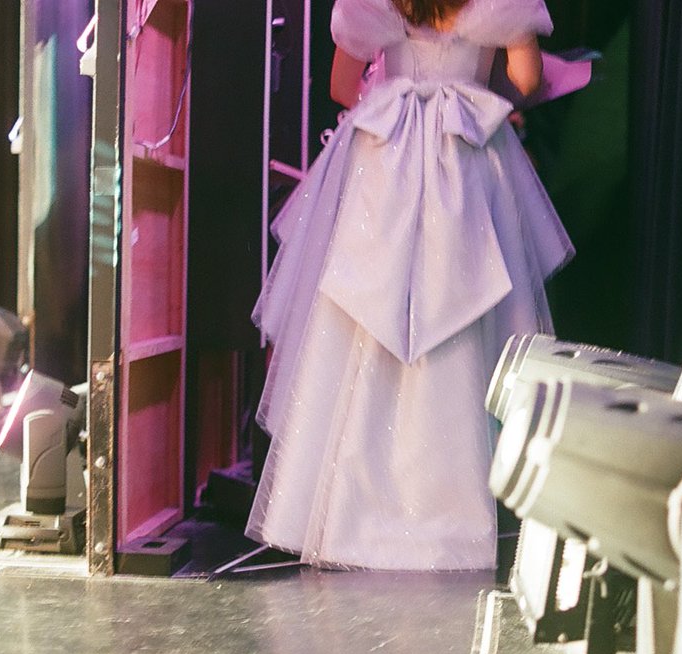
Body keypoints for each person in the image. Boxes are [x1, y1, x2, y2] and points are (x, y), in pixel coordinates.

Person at [245, 0, 574, 570]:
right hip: (466, 148)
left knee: (365, 313)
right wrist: (475, 83)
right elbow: (527, 79)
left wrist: (397, 90)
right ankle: (453, 518)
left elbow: (342, 86)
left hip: (385, 150)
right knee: (467, 306)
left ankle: (351, 518)